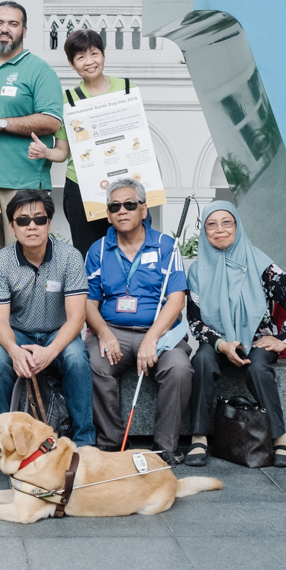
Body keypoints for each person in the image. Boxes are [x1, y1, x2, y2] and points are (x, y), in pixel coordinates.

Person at [0, 0, 64, 346]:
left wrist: (0, 123)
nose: (5, 28)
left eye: (13, 23)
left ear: (24, 30)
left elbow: (51, 120)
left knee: (25, 256)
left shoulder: (38, 70)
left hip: (22, 183)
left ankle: (30, 327)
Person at [184, 202, 286, 469]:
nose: (220, 230)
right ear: (204, 231)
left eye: (227, 222)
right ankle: (199, 436)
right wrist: (221, 344)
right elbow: (194, 321)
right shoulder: (197, 271)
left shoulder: (260, 264)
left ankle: (279, 438)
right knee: (201, 362)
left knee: (259, 370)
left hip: (256, 339)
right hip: (217, 340)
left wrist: (283, 339)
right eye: (212, 224)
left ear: (237, 226)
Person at [83, 178, 191, 461]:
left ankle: (165, 446)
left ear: (143, 209)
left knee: (179, 368)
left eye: (130, 204)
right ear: (108, 214)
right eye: (115, 206)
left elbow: (177, 299)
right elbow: (89, 303)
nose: (122, 211)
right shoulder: (98, 250)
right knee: (93, 364)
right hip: (113, 329)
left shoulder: (165, 246)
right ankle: (112, 442)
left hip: (159, 331)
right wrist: (104, 335)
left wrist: (152, 339)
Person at [0, 188, 95, 446]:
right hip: (19, 333)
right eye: (22, 220)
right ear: (12, 226)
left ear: (49, 222)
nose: (31, 226)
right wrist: (13, 350)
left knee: (77, 357)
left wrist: (51, 351)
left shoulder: (70, 257)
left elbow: (77, 318)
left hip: (59, 331)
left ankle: (84, 441)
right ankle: (4, 440)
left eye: (39, 219)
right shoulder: (1, 262)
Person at [38, 28, 135, 256]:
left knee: (129, 248)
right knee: (88, 254)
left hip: (124, 183)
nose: (89, 62)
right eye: (81, 57)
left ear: (103, 55)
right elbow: (62, 152)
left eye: (94, 54)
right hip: (82, 187)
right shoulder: (68, 100)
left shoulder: (127, 88)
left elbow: (136, 135)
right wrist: (45, 152)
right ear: (72, 64)